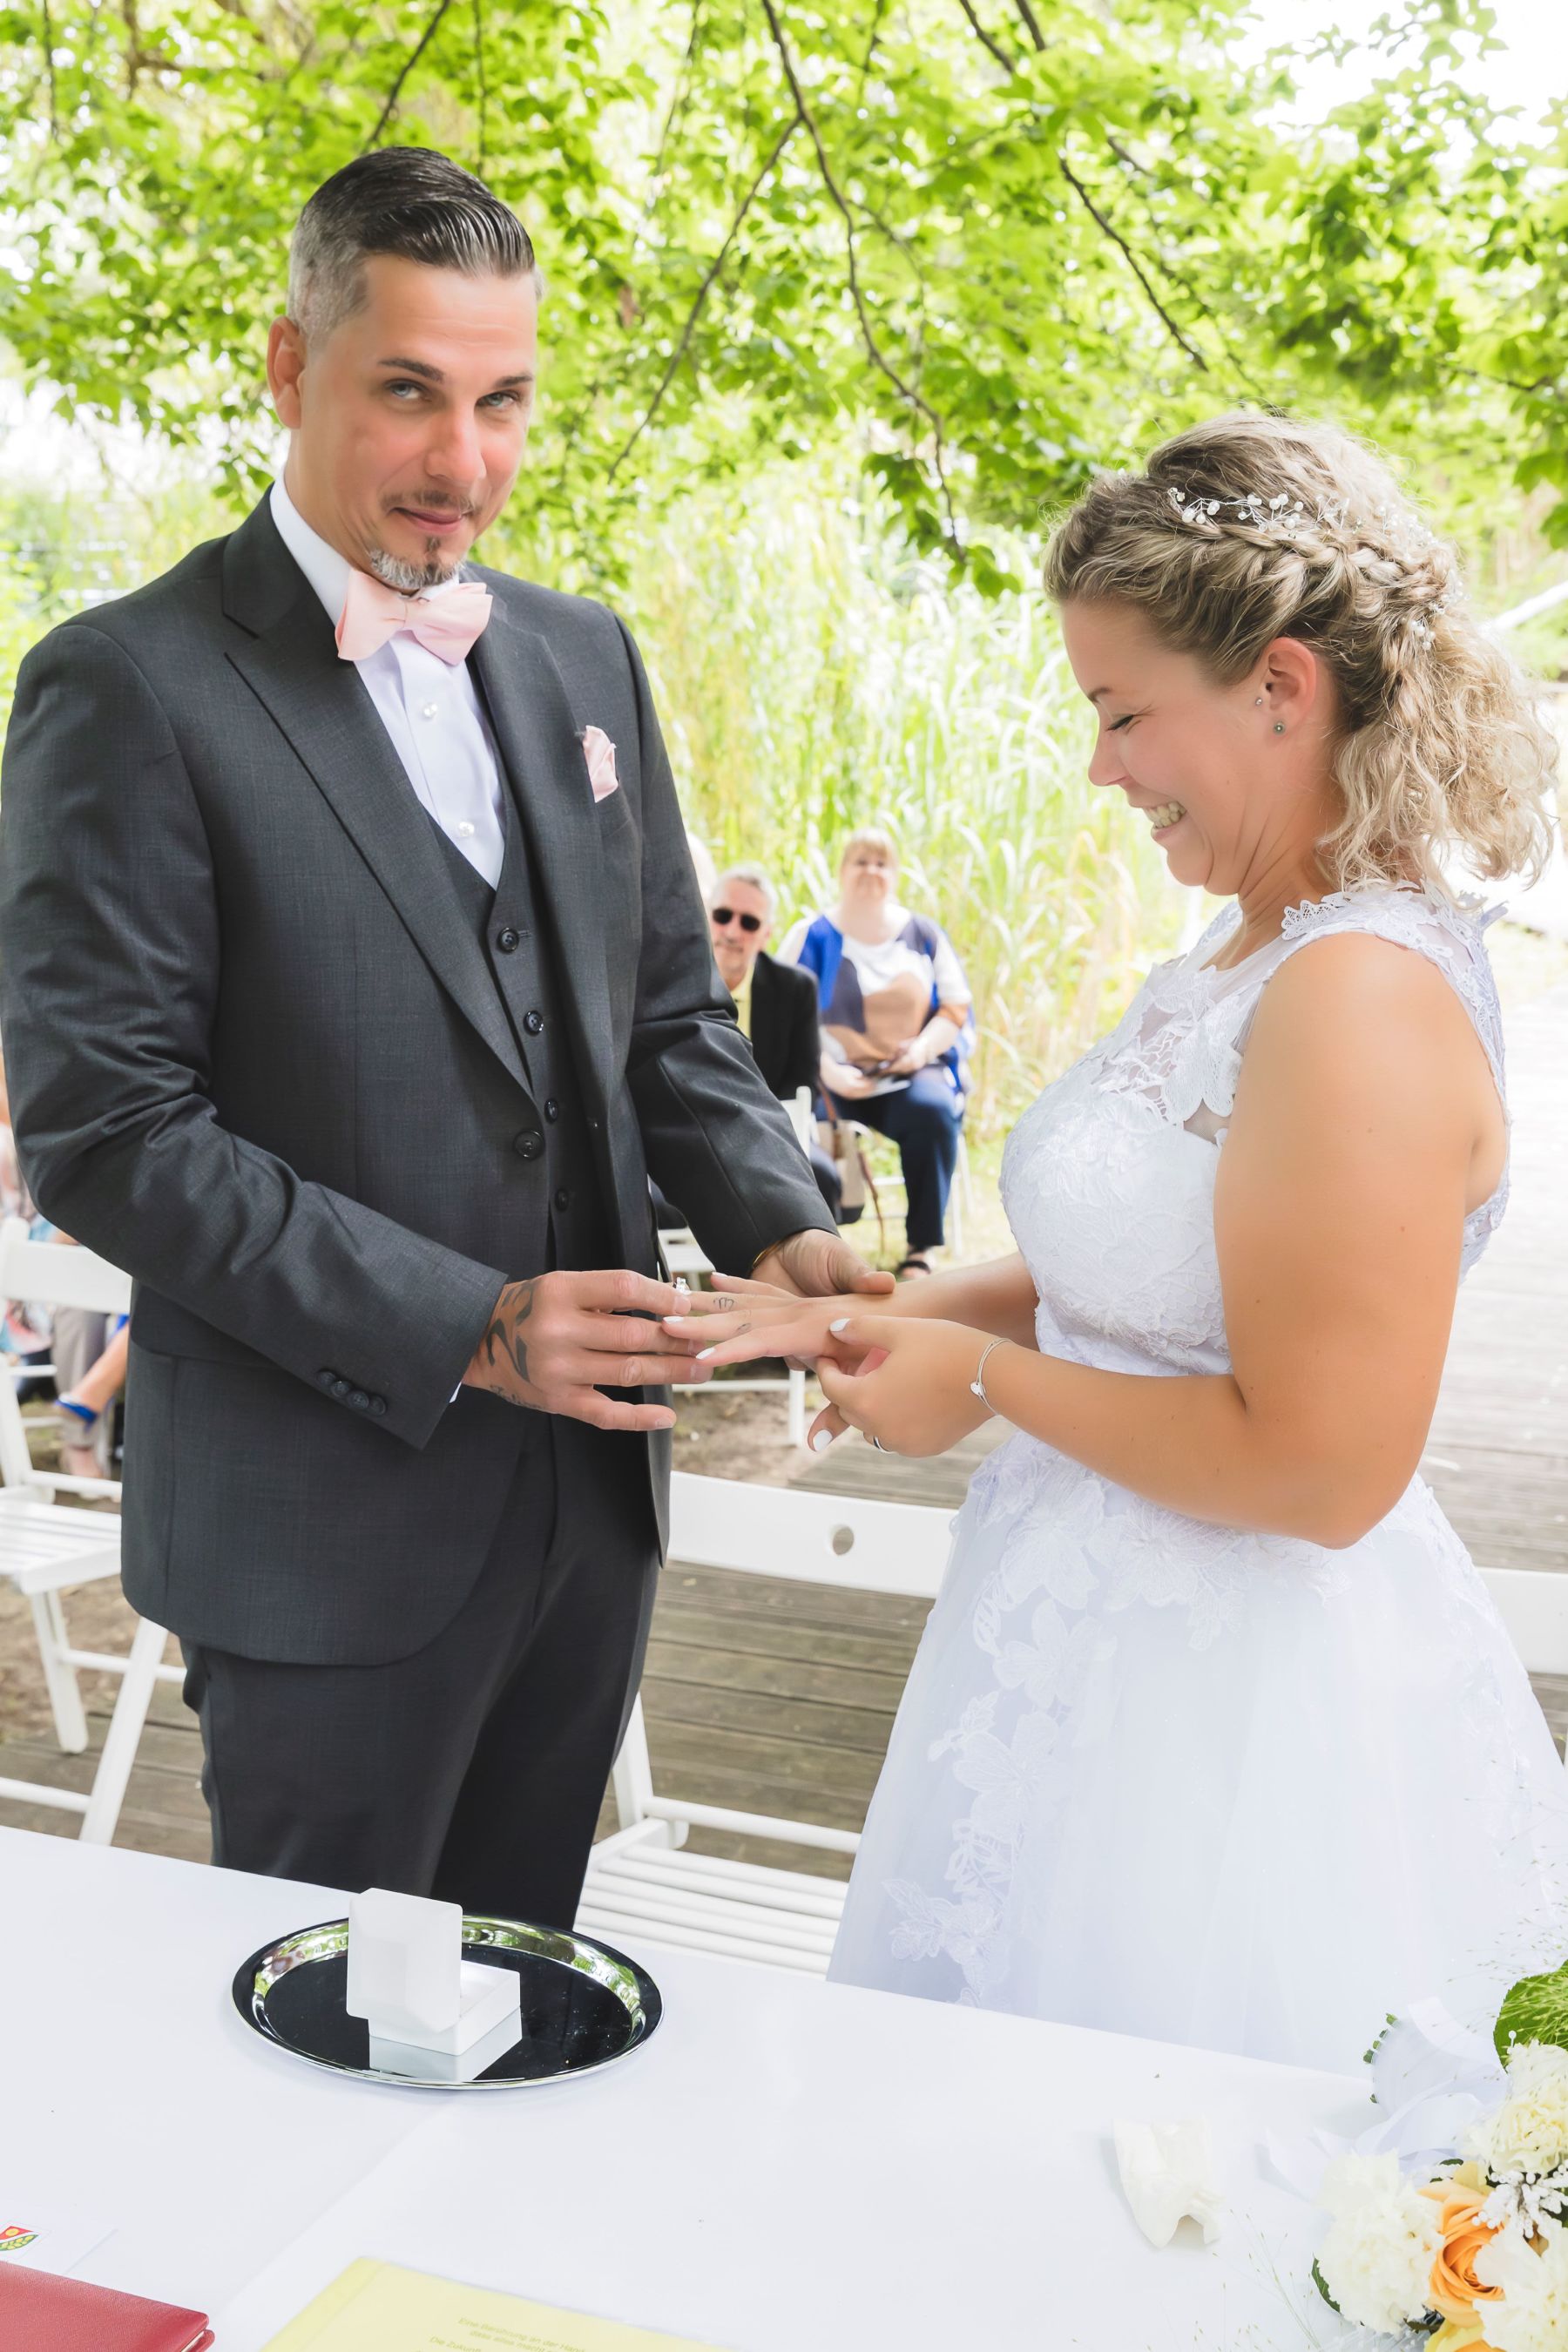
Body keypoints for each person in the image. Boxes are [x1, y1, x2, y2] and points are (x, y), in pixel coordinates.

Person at [0, 146, 885, 1927]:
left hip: (593, 1514)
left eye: (503, 401)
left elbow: (665, 1019)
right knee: (318, 2024)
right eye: (408, 391)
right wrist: (469, 1326)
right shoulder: (127, 683)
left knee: (526, 2006)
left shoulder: (582, 659)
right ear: (288, 366)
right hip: (316, 1537)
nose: (463, 462)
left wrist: (790, 1227)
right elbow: (109, 1132)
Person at [671, 412, 1568, 2075]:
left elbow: (1322, 1468)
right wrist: (893, 1312)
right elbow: (1155, 1274)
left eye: (1123, 711)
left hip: (1231, 1733)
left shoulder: (1357, 999)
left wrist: (982, 1383)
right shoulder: (1250, 948)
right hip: (1075, 1655)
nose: (1102, 768)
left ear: (1280, 688)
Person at [779, 831, 970, 1276]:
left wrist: (921, 1050)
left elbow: (955, 1008)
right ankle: (819, 1251)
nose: (871, 871)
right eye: (861, 861)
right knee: (802, 1127)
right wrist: (824, 1068)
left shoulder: (923, 934)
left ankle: (921, 1247)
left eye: (881, 863)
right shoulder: (811, 936)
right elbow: (781, 1016)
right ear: (842, 872)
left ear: (895, 875)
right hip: (829, 1078)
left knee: (933, 1111)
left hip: (907, 1073)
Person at [707, 865, 843, 1220]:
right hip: (688, 1134)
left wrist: (753, 1135)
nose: (732, 931)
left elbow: (802, 1082)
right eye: (722, 916)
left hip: (771, 1133)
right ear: (706, 916)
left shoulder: (796, 989)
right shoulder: (667, 982)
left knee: (823, 1177)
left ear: (766, 935)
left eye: (749, 922)